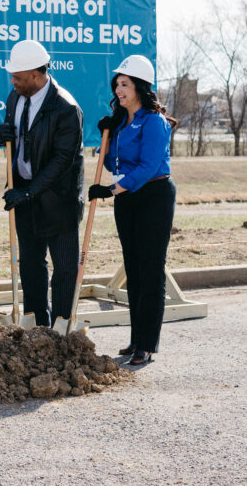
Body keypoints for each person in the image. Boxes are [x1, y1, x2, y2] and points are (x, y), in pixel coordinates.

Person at [88, 55, 175, 366]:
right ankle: (136, 338)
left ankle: (148, 344)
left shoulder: (154, 121)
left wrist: (111, 190)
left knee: (151, 270)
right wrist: (107, 144)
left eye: (124, 84)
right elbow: (115, 165)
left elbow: (148, 166)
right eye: (117, 85)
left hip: (153, 195)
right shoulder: (122, 124)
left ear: (139, 87)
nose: (118, 89)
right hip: (128, 198)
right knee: (134, 269)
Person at [0, 39, 84, 328]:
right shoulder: (15, 97)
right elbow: (16, 140)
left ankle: (61, 330)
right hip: (25, 197)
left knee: (65, 269)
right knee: (31, 267)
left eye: (18, 77)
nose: (13, 81)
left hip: (58, 201)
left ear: (36, 74)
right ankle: (37, 328)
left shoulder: (66, 108)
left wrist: (29, 192)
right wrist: (2, 136)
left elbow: (62, 162)